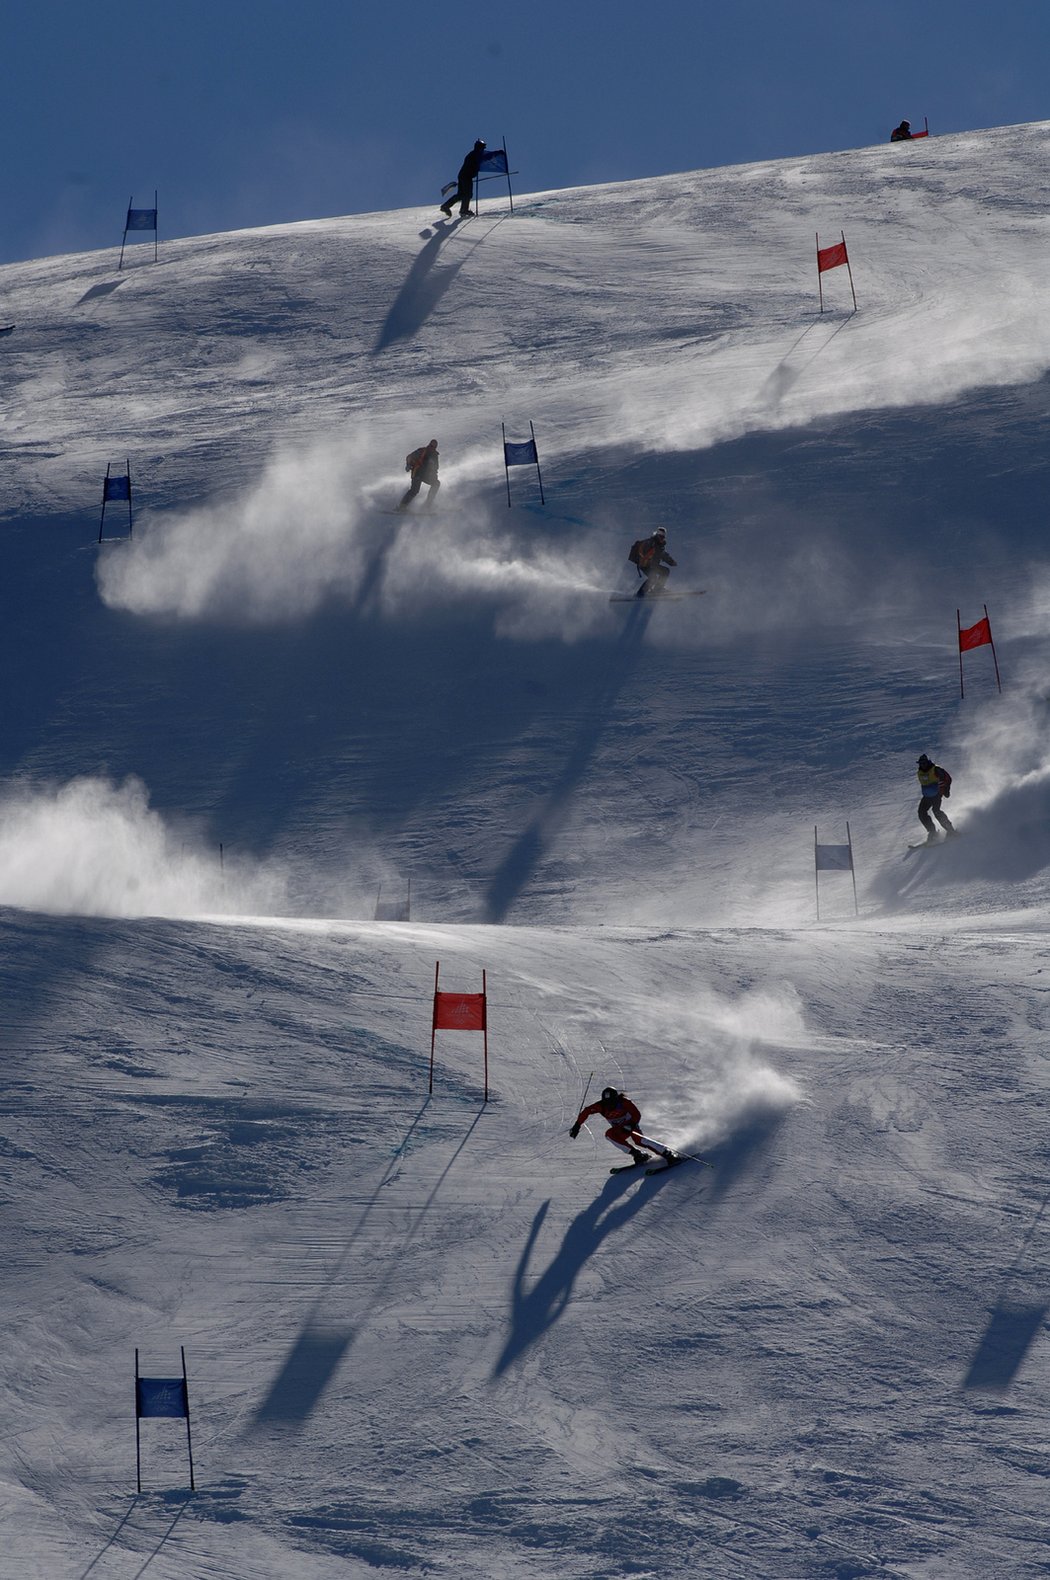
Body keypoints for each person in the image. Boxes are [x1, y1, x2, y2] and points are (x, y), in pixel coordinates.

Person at [569, 1087, 680, 1169]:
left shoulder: (624, 1103)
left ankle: (667, 1153)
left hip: (630, 1126)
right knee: (609, 1134)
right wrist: (577, 1125)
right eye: (607, 1103)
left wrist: (631, 1125)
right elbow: (586, 1111)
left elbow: (637, 1114)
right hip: (619, 1129)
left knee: (639, 1140)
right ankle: (637, 1154)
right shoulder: (601, 1106)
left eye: (612, 1103)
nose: (610, 1106)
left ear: (616, 1099)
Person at [441, 140, 487, 218]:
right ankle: (464, 210)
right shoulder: (475, 154)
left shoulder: (474, 154)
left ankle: (446, 206)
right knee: (467, 194)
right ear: (479, 147)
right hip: (466, 176)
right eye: (482, 147)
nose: (483, 149)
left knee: (461, 195)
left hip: (463, 175)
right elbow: (483, 159)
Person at [916, 753, 956, 841]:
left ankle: (950, 830)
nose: (922, 765)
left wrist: (946, 790)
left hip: (936, 795)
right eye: (921, 763)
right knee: (921, 812)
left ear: (928, 762)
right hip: (927, 796)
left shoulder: (936, 769)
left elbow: (948, 778)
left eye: (924, 763)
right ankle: (932, 832)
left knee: (936, 811)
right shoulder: (920, 772)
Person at [628, 527, 677, 597]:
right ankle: (640, 594)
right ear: (657, 534)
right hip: (645, 565)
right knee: (653, 578)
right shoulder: (651, 543)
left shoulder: (659, 544)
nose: (662, 537)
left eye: (663, 535)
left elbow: (663, 554)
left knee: (665, 571)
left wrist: (672, 562)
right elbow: (646, 553)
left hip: (652, 565)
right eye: (660, 535)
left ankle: (658, 589)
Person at [398, 439, 440, 511]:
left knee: (436, 483)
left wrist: (434, 476)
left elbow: (435, 469)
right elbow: (409, 457)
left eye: (434, 446)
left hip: (426, 475)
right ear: (429, 444)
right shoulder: (422, 451)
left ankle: (427, 505)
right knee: (414, 490)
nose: (432, 447)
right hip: (417, 473)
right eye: (431, 445)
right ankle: (402, 506)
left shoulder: (435, 455)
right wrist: (408, 465)